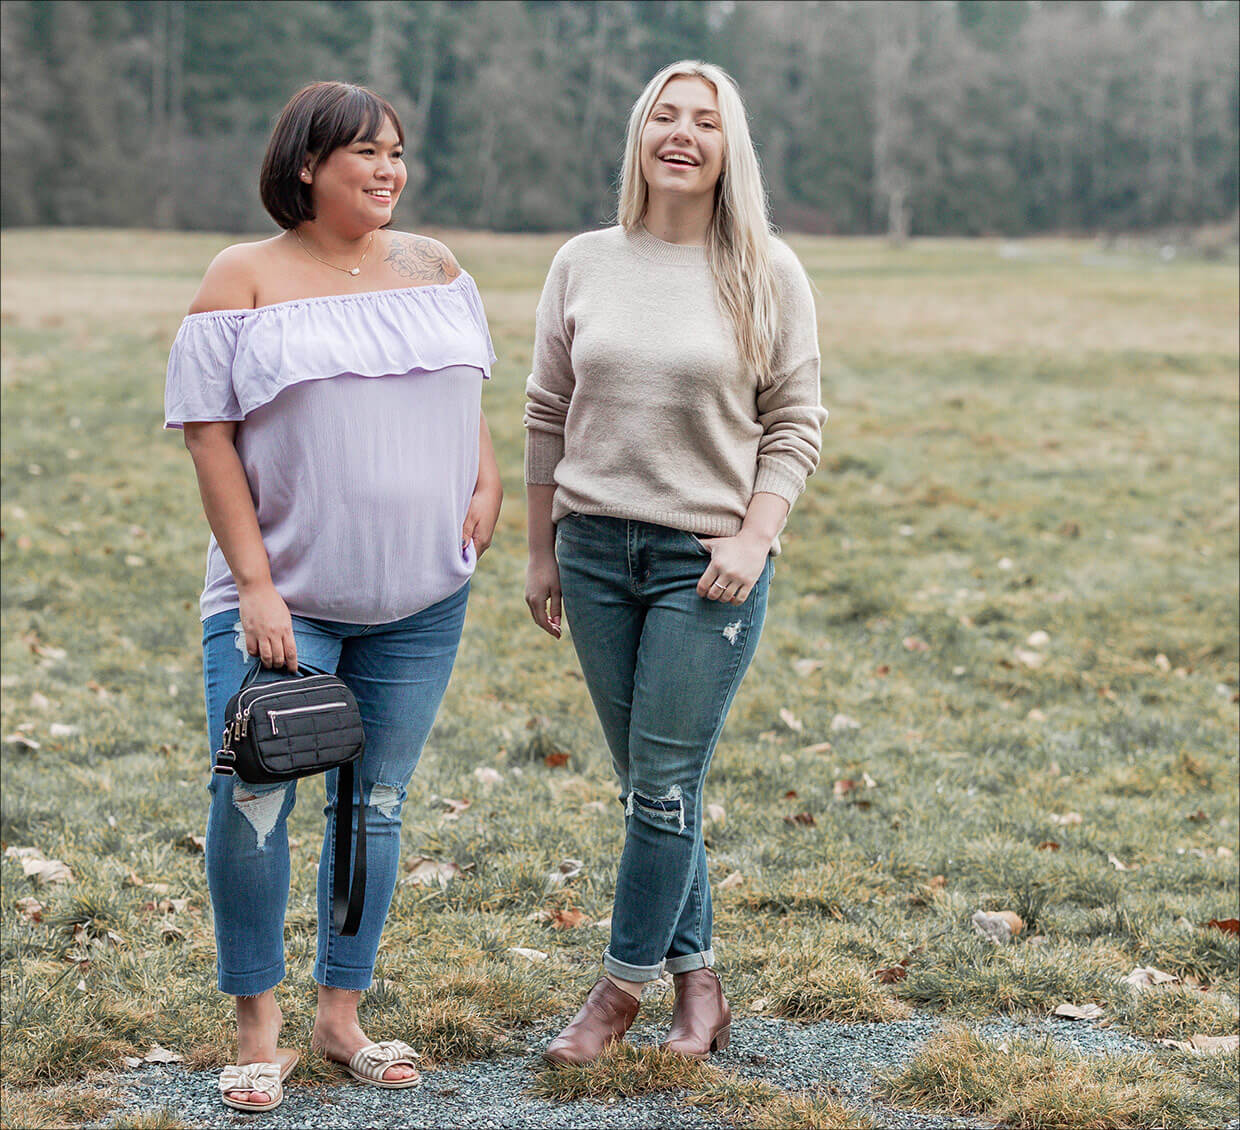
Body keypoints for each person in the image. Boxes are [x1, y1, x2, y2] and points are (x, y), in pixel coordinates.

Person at [165, 81, 501, 1111]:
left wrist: (486, 481)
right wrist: (256, 587)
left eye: (397, 152)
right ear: (309, 164)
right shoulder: (244, 276)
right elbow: (208, 431)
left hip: (422, 596)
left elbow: (463, 385)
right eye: (366, 152)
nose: (389, 169)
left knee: (378, 805)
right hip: (285, 599)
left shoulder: (434, 265)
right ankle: (258, 1027)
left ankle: (340, 1015)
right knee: (256, 796)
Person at [523, 60, 827, 1065]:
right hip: (594, 549)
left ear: (728, 146)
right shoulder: (583, 261)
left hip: (707, 565)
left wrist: (755, 534)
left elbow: (793, 423)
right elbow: (545, 412)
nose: (682, 134)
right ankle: (701, 982)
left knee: (659, 783)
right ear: (639, 134)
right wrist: (540, 548)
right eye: (666, 115)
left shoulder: (766, 270)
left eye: (705, 120)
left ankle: (617, 990)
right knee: (656, 784)